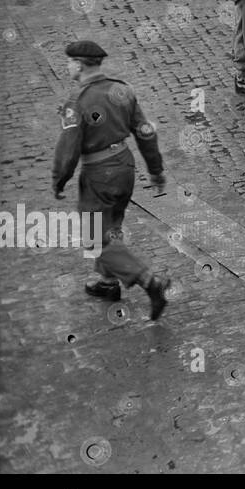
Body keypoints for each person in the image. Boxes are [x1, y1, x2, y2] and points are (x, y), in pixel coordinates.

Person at [53, 41, 170, 319]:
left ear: (79, 65)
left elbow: (68, 147)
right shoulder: (122, 90)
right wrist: (155, 170)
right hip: (124, 168)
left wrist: (59, 178)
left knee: (96, 239)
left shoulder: (78, 101)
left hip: (98, 175)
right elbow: (144, 131)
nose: (67, 66)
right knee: (111, 226)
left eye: (69, 62)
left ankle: (150, 281)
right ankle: (107, 282)